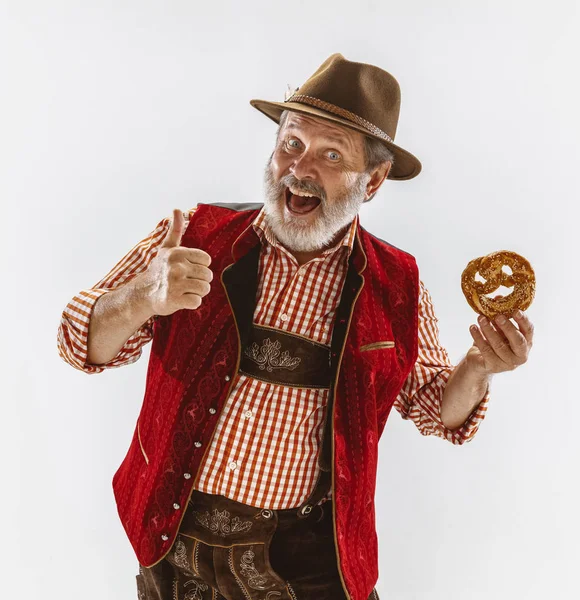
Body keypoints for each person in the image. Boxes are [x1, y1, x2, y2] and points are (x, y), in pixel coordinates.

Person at [57, 53, 534, 600]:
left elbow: (433, 406)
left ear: (373, 181)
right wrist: (142, 297)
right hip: (173, 539)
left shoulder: (395, 286)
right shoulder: (191, 237)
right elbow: (77, 344)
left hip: (308, 561)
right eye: (292, 143)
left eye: (332, 154)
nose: (301, 168)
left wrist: (479, 367)